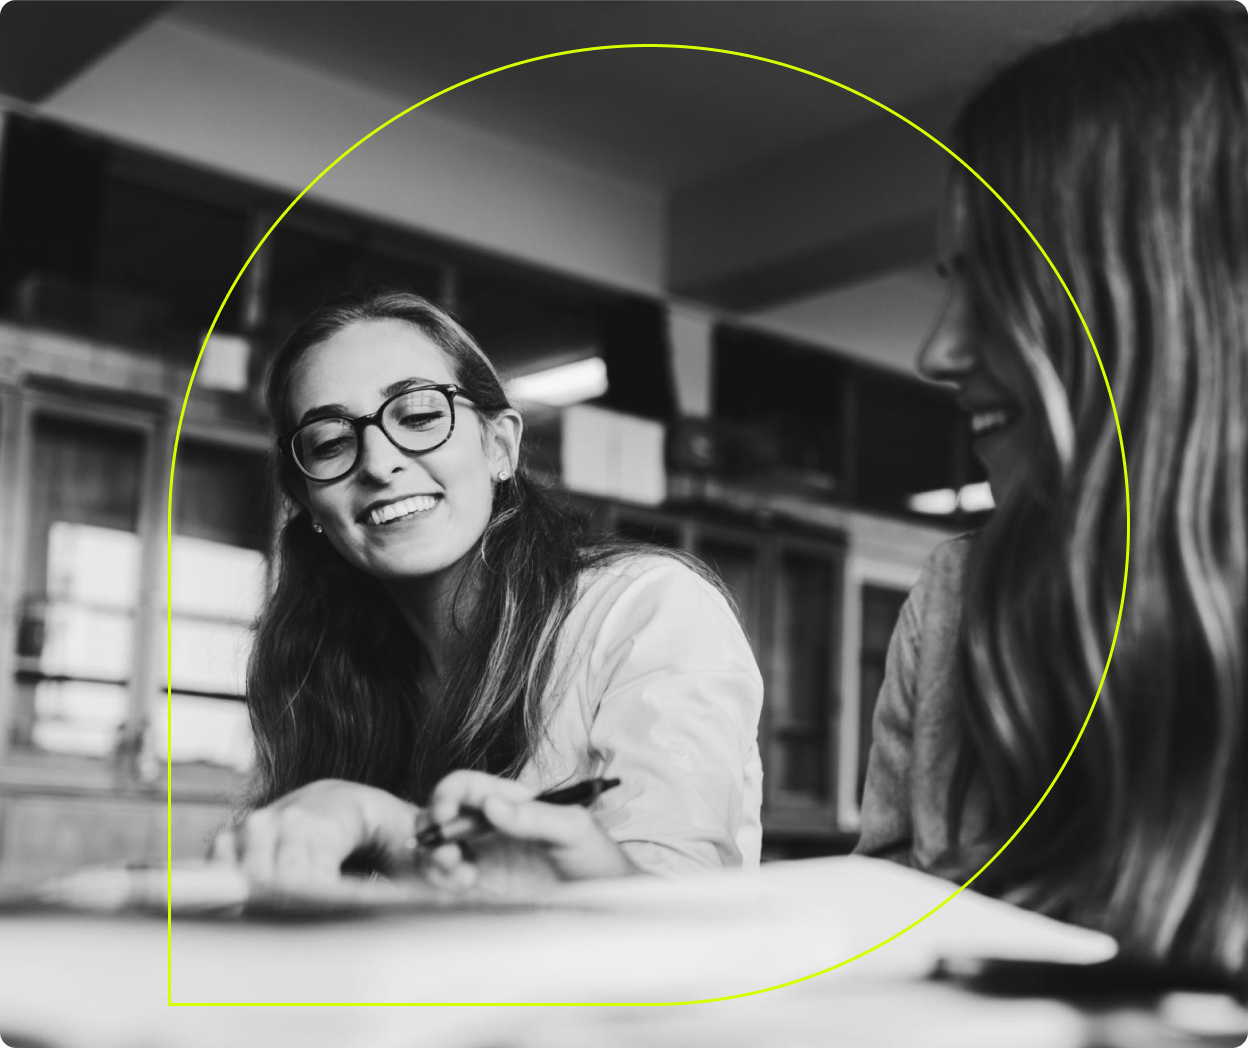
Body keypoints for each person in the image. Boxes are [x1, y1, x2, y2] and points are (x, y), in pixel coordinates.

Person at [856, 3, 1248, 984]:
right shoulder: (951, 603)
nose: (935, 351)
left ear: (1162, 295)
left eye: (993, 283)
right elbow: (885, 934)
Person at [212, 290, 763, 887]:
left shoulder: (648, 610)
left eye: (419, 416)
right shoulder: (329, 670)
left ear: (499, 446)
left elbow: (679, 913)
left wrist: (393, 828)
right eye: (330, 442)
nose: (378, 462)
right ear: (310, 505)